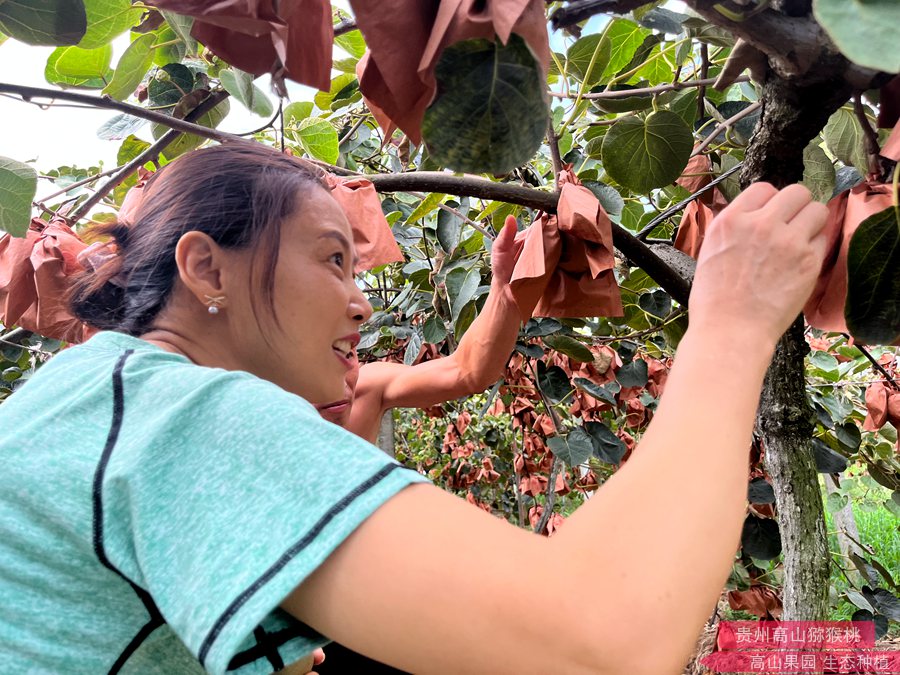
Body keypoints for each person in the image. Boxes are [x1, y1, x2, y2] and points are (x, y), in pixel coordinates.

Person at [0, 141, 829, 675]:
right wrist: (731, 320)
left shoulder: (90, 396)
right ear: (206, 271)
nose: (360, 304)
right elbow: (603, 642)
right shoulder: (188, 416)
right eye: (333, 259)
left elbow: (470, 367)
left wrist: (506, 293)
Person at [315, 215, 524, 444]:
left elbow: (467, 371)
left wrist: (502, 286)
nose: (340, 384)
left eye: (348, 353)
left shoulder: (365, 390)